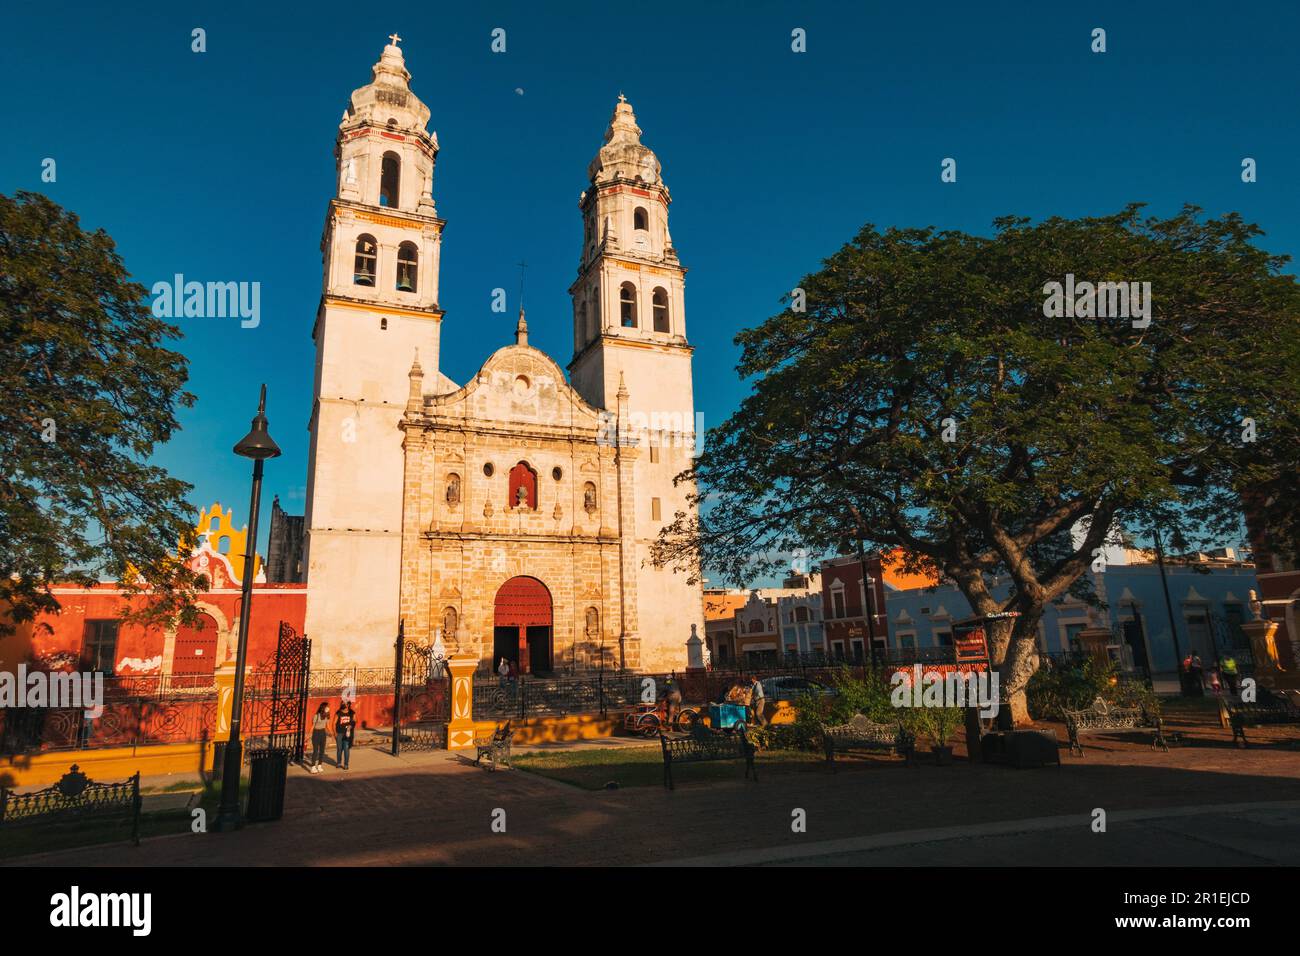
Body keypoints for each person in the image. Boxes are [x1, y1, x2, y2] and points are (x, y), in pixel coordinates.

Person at [334, 699, 357, 770]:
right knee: (339, 749)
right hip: (339, 733)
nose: (344, 704)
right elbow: (333, 723)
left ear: (348, 704)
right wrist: (335, 733)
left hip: (347, 733)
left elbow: (355, 720)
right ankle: (338, 762)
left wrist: (351, 725)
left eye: (345, 703)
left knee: (346, 749)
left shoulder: (352, 712)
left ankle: (346, 764)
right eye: (342, 703)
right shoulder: (338, 713)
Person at [309, 702, 331, 773]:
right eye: (327, 707)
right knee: (315, 750)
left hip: (323, 733)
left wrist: (330, 732)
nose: (328, 708)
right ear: (323, 708)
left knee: (322, 750)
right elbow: (312, 726)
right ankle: (313, 767)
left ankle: (319, 765)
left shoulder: (327, 715)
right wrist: (308, 735)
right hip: (316, 733)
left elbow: (327, 725)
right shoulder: (316, 716)